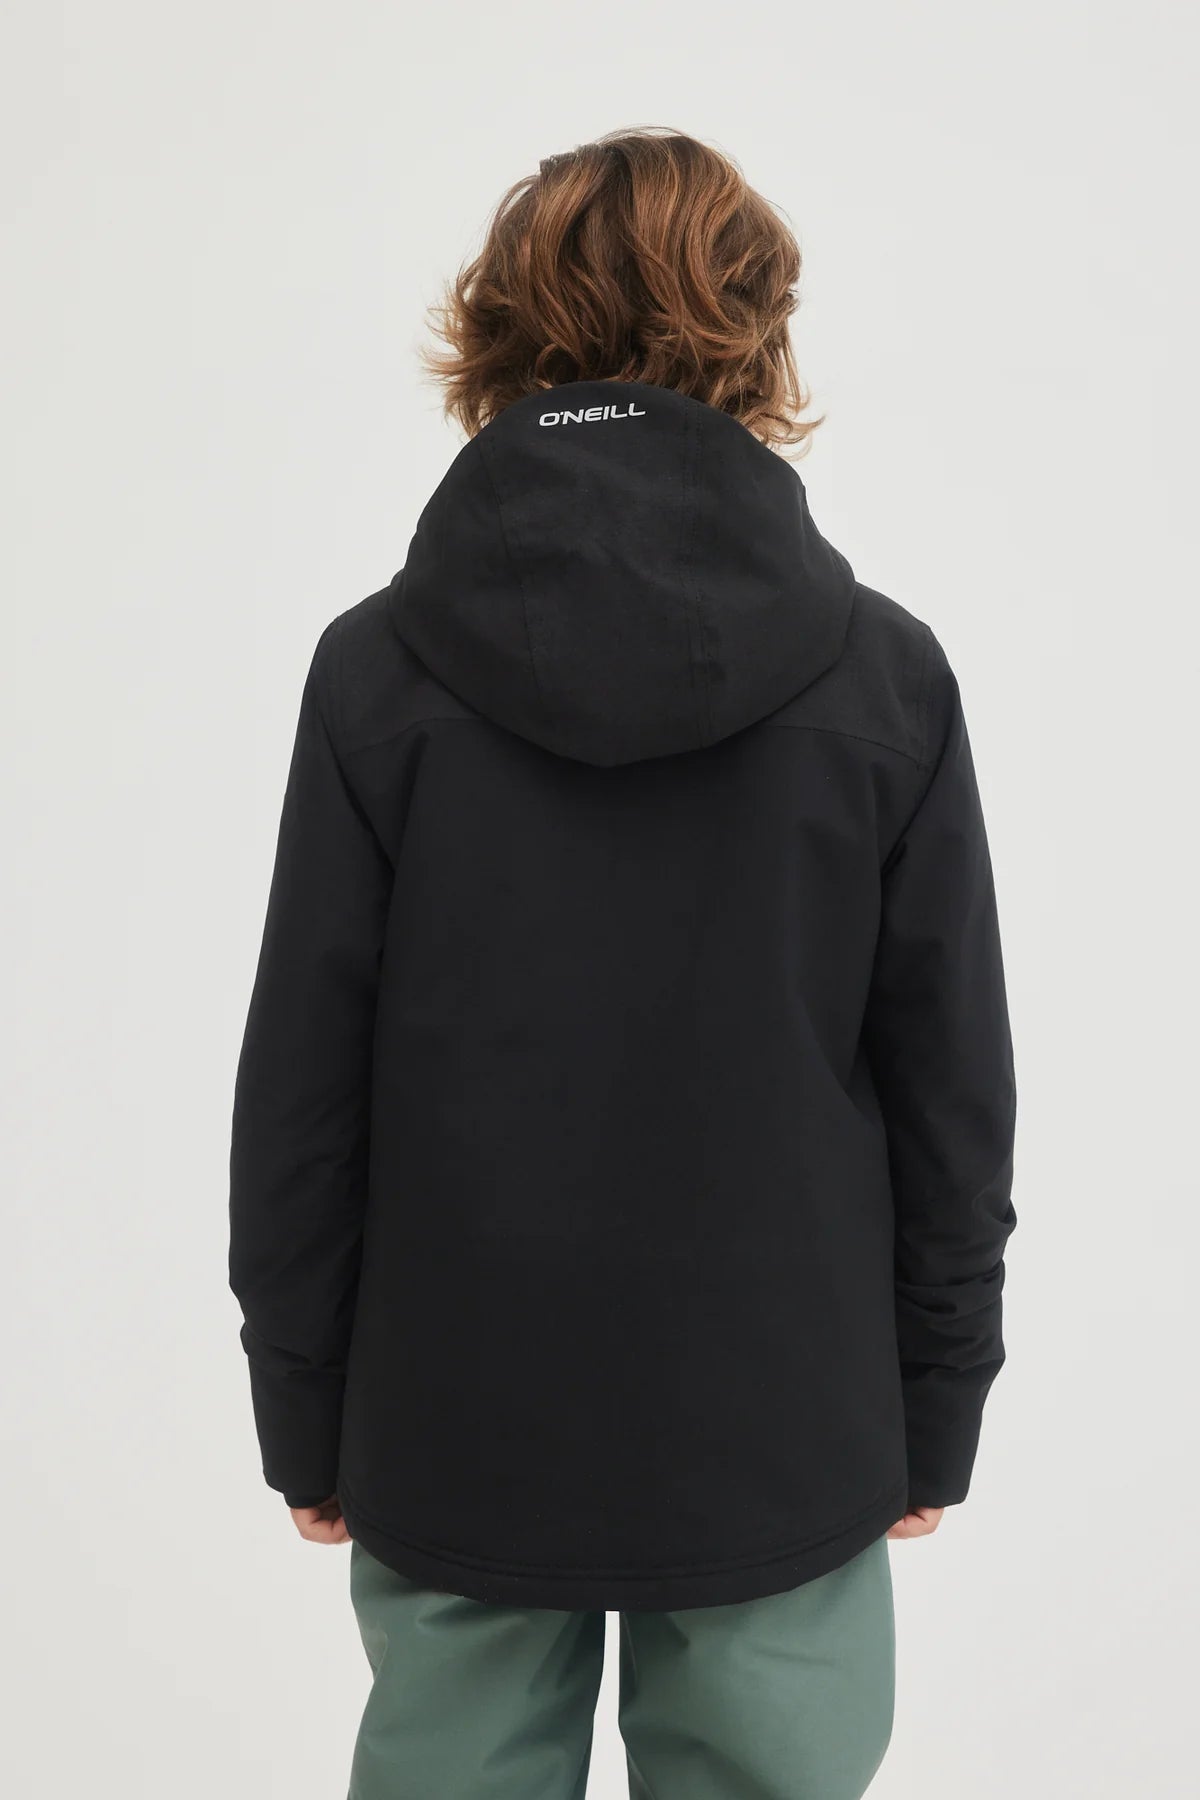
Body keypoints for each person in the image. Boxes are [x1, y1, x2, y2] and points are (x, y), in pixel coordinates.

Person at [229, 127, 1016, 1800]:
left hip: (453, 1411)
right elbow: (952, 1089)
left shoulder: (377, 676)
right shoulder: (883, 680)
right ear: (754, 328)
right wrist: (935, 1397)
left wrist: (303, 1402)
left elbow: (303, 1085)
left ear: (501, 328)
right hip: (785, 1421)